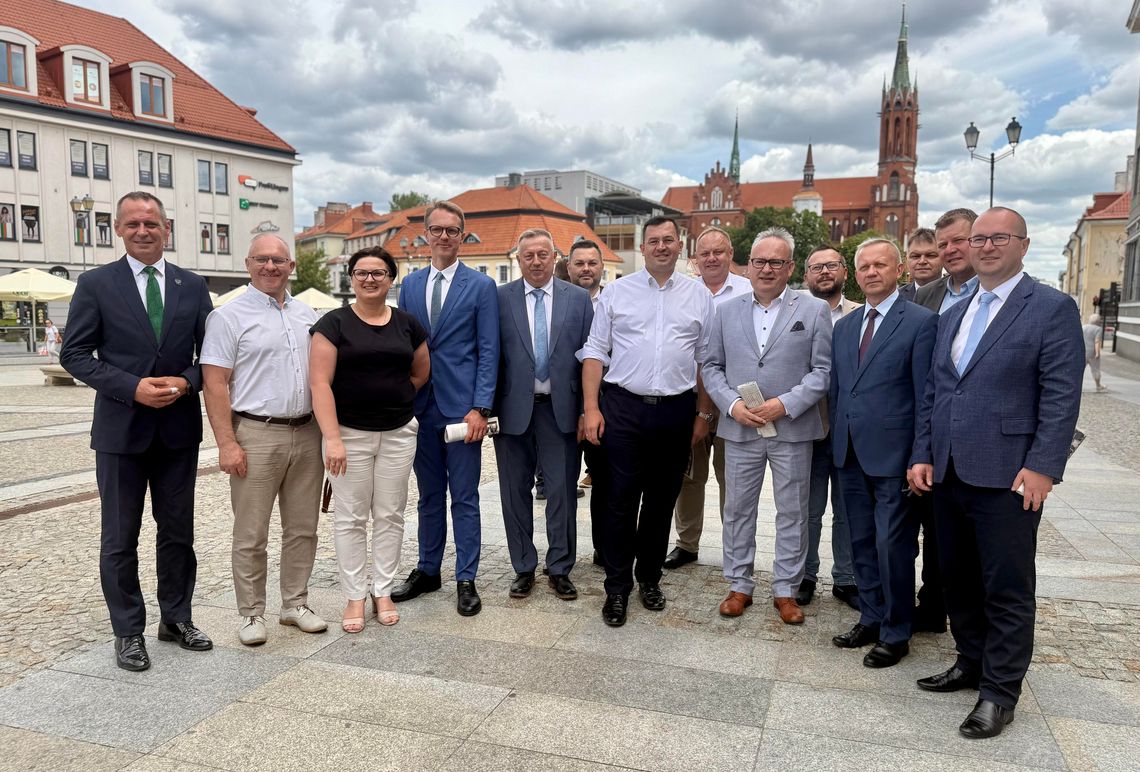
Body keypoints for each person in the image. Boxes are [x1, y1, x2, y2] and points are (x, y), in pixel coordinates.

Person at [909, 207, 1084, 739]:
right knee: (956, 576)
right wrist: (923, 452)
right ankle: (971, 660)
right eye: (977, 238)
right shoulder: (954, 313)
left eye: (997, 237)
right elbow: (937, 392)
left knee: (1005, 585)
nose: (985, 247)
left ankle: (1000, 691)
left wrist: (1043, 466)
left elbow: (1060, 394)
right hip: (949, 470)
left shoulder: (1050, 308)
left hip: (1010, 474)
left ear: (1023, 245)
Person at [60, 191, 213, 672]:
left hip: (177, 432)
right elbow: (75, 355)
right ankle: (128, 631)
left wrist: (187, 383)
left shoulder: (193, 285)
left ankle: (176, 618)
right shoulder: (95, 283)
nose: (143, 231)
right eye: (132, 224)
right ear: (119, 229)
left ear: (167, 229)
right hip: (121, 433)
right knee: (120, 537)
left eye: (151, 223)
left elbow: (211, 359)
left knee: (178, 533)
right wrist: (131, 387)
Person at [581, 216, 715, 627]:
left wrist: (703, 413)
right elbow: (594, 353)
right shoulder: (617, 293)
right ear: (643, 248)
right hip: (623, 407)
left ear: (680, 246)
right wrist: (591, 408)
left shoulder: (699, 296)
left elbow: (706, 360)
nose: (661, 247)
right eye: (653, 241)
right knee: (619, 501)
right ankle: (617, 588)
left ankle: (650, 579)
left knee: (660, 503)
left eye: (668, 240)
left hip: (676, 411)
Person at [201, 234, 327, 646]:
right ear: (248, 263)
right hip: (255, 431)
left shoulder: (307, 314)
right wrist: (226, 443)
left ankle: (294, 603)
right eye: (262, 259)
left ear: (291, 266)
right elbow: (215, 383)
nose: (270, 267)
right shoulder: (228, 316)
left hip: (307, 431)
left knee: (303, 528)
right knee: (251, 532)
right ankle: (251, 612)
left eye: (278, 260)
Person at [701, 227, 831, 624]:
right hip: (740, 427)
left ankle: (786, 590)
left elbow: (823, 372)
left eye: (777, 262)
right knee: (738, 509)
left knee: (793, 511)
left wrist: (784, 404)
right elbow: (710, 366)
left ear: (790, 266)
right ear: (748, 265)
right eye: (760, 261)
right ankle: (739, 584)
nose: (767, 269)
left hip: (791, 427)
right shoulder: (725, 311)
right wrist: (732, 405)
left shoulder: (813, 310)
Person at [829, 238, 936, 667]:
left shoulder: (921, 322)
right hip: (850, 453)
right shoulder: (845, 327)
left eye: (880, 265)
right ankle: (870, 616)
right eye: (864, 267)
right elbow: (839, 391)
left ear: (899, 270)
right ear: (855, 275)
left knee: (893, 545)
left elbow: (926, 394)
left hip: (895, 457)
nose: (872, 272)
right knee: (860, 542)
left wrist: (919, 454)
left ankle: (896, 631)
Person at [311, 247, 430, 631]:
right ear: (351, 278)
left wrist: (390, 399)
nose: (369, 279)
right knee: (349, 518)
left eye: (378, 273)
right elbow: (319, 384)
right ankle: (353, 596)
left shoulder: (408, 324)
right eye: (361, 272)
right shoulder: (333, 323)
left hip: (398, 432)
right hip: (348, 435)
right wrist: (332, 438)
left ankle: (382, 590)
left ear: (390, 278)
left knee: (390, 514)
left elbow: (419, 374)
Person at [394, 201, 499, 616]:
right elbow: (405, 345)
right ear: (425, 235)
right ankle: (428, 568)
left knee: (466, 496)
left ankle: (466, 577)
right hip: (420, 407)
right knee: (428, 496)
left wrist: (480, 407)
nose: (443, 237)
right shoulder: (410, 284)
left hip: (462, 409)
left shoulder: (480, 286)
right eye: (436, 230)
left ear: (463, 235)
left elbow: (489, 350)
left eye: (452, 230)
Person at [494, 229, 593, 601]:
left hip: (562, 410)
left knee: (563, 492)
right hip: (512, 411)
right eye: (528, 256)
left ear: (556, 257)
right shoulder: (499, 298)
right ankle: (523, 566)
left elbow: (590, 357)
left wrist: (587, 409)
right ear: (517, 260)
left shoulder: (579, 299)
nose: (536, 261)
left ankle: (560, 567)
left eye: (543, 254)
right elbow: (491, 355)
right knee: (513, 492)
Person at [664, 226, 751, 570]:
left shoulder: (748, 290)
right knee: (688, 478)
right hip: (689, 402)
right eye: (705, 253)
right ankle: (687, 544)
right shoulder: (681, 292)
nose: (712, 258)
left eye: (719, 251)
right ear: (694, 259)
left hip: (736, 403)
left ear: (731, 255)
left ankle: (735, 550)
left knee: (734, 480)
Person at [798, 246, 860, 609]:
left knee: (847, 509)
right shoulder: (798, 311)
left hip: (851, 429)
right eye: (816, 267)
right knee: (807, 508)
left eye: (831, 265)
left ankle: (846, 577)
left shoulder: (861, 313)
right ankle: (805, 573)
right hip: (809, 425)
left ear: (844, 272)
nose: (824, 272)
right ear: (806, 275)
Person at [915, 209, 979, 313]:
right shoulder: (924, 295)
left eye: (958, 240)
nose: (949, 250)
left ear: (978, 240)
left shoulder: (996, 289)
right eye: (943, 245)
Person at [899, 227, 943, 301]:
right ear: (907, 260)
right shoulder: (894, 299)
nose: (922, 261)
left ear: (943, 257)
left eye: (930, 255)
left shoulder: (956, 296)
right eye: (915, 256)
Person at [1083, 313, 1106, 392]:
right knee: (1095, 369)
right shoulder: (1098, 329)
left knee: (1080, 370)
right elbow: (1097, 341)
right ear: (1098, 321)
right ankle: (1098, 386)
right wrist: (1097, 353)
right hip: (1092, 353)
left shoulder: (1083, 327)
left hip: (1082, 352)